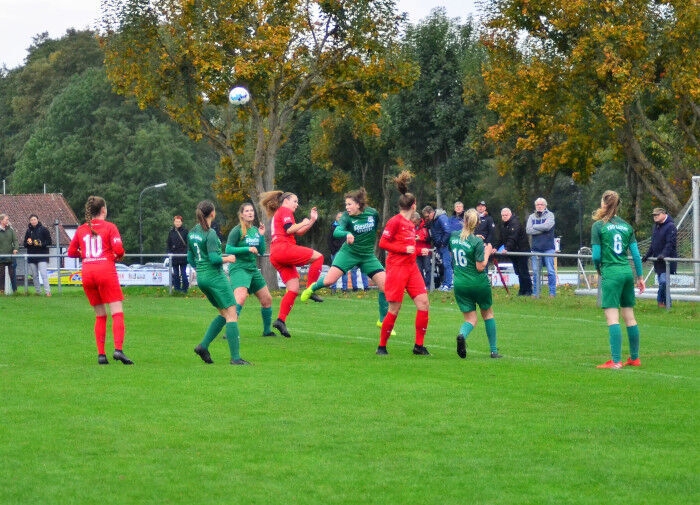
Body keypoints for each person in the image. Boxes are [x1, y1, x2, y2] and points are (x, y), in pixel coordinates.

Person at [301, 188, 391, 332]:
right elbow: (337, 232)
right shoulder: (346, 217)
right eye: (346, 204)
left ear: (358, 204)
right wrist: (348, 233)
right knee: (329, 281)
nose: (347, 207)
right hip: (348, 253)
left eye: (349, 204)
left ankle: (383, 321)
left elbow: (376, 228)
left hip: (367, 255)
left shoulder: (373, 213)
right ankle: (312, 288)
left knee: (385, 286)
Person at [67, 196, 133, 365]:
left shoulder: (82, 229)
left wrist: (86, 255)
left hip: (88, 273)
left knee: (100, 314)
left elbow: (71, 252)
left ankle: (101, 355)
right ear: (103, 210)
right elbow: (118, 249)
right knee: (116, 311)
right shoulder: (110, 227)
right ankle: (118, 350)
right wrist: (116, 256)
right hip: (105, 271)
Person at [190, 200, 251, 365]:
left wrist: (201, 270)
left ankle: (203, 346)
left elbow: (190, 258)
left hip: (202, 278)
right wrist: (228, 258)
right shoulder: (209, 233)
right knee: (232, 314)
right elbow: (214, 259)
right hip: (215, 277)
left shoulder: (192, 232)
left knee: (224, 314)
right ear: (212, 213)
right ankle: (235, 358)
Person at [376, 171, 431, 356]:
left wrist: (418, 251)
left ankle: (419, 346)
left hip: (411, 268)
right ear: (413, 205)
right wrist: (403, 248)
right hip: (397, 269)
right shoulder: (395, 221)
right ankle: (381, 347)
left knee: (423, 303)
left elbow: (409, 248)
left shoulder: (410, 224)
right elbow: (383, 243)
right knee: (395, 308)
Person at [591, 190, 645, 369]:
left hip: (611, 272)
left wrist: (598, 269)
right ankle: (634, 358)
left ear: (603, 203)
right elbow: (636, 255)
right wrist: (640, 277)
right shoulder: (627, 226)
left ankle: (615, 361)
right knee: (630, 316)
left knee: (612, 318)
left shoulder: (598, 226)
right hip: (626, 273)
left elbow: (596, 255)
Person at [259, 190, 324, 338]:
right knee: (319, 257)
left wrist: (311, 220)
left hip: (276, 254)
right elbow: (290, 229)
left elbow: (298, 232)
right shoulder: (285, 210)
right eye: (295, 201)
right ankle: (310, 289)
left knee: (293, 289)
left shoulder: (280, 212)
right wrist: (303, 222)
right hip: (284, 249)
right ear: (286, 201)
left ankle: (280, 320)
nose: (297, 204)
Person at [450, 208, 502, 359]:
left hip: (460, 283)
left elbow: (455, 249)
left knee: (470, 319)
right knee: (488, 314)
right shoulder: (477, 242)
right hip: (478, 283)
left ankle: (462, 335)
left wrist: (471, 238)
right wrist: (487, 252)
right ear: (477, 223)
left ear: (464, 221)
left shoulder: (453, 236)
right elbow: (480, 266)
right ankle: (493, 351)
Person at [225, 203, 275, 337]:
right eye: (247, 211)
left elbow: (262, 251)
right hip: (239, 268)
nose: (250, 213)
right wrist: (247, 248)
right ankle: (230, 331)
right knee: (240, 298)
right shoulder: (237, 230)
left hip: (252, 269)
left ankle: (267, 331)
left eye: (251, 210)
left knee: (267, 299)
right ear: (241, 215)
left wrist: (261, 236)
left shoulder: (255, 230)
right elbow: (228, 249)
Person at [642, 207, 678, 308]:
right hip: (658, 261)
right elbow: (653, 244)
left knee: (663, 282)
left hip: (667, 260)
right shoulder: (655, 226)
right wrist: (647, 255)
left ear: (664, 214)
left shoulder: (671, 226)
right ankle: (667, 304)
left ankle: (661, 301)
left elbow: (670, 243)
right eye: (654, 215)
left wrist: (664, 254)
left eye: (657, 215)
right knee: (662, 283)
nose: (655, 217)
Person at [494, 208, 533, 296]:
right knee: (518, 272)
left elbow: (513, 238)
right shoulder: (504, 225)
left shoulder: (515, 223)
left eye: (506, 215)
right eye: (503, 215)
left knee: (523, 271)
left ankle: (528, 290)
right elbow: (501, 239)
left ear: (510, 214)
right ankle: (522, 290)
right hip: (514, 252)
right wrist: (495, 247)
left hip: (521, 251)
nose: (504, 217)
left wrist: (507, 248)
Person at [526, 197, 557, 297]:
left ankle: (552, 293)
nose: (539, 206)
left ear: (545, 206)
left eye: (541, 204)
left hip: (549, 248)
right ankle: (536, 293)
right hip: (536, 249)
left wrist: (535, 226)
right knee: (536, 272)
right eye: (537, 205)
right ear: (535, 206)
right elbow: (528, 230)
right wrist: (542, 229)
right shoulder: (531, 217)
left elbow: (547, 227)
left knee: (550, 271)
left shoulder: (550, 215)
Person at [422, 205, 453, 291]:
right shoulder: (433, 220)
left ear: (431, 213)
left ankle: (448, 284)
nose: (427, 218)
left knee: (447, 264)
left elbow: (447, 231)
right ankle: (445, 283)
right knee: (442, 265)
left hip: (444, 245)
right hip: (439, 245)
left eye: (427, 216)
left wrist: (443, 242)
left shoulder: (441, 218)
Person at [24, 214, 53, 296]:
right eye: (31, 220)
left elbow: (49, 242)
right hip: (32, 255)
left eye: (34, 219)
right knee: (34, 275)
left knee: (43, 274)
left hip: (42, 255)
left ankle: (48, 292)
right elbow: (24, 244)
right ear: (29, 221)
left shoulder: (44, 229)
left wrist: (41, 244)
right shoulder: (28, 231)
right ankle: (38, 292)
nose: (33, 221)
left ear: (38, 220)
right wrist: (28, 243)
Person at [166, 215, 189, 293]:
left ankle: (185, 289)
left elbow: (188, 243)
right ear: (174, 222)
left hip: (183, 256)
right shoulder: (171, 232)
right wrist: (169, 253)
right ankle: (177, 290)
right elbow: (168, 243)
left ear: (181, 222)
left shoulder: (185, 231)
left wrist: (186, 252)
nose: (177, 223)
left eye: (179, 221)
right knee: (175, 274)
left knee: (183, 273)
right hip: (174, 256)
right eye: (176, 221)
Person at [412, 211, 432, 289]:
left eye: (415, 222)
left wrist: (420, 238)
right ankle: (422, 285)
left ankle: (429, 285)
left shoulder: (426, 225)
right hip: (417, 251)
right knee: (419, 269)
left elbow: (429, 238)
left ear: (418, 219)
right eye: (413, 222)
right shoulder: (412, 227)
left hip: (425, 250)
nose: (414, 223)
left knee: (427, 268)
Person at [0, 213, 19, 294]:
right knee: (1, 275)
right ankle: (1, 291)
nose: (8, 221)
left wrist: (16, 249)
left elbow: (15, 241)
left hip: (11, 256)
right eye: (6, 219)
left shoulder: (11, 230)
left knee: (12, 274)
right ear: (1, 220)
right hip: (1, 256)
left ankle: (15, 291)